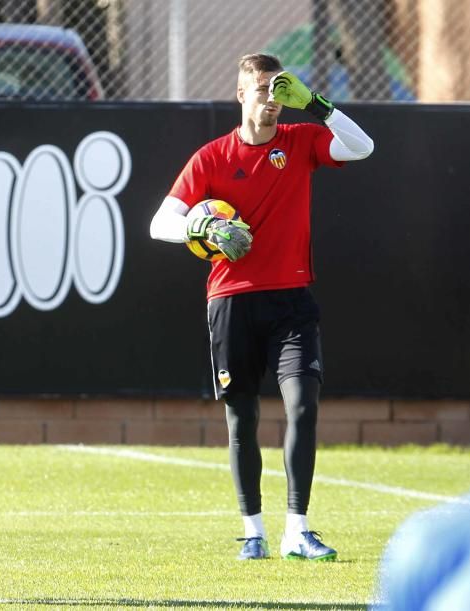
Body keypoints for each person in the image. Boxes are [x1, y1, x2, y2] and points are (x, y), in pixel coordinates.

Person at [149, 54, 374, 561]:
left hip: (292, 299)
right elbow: (159, 223)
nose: (271, 101)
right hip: (231, 300)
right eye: (261, 91)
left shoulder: (300, 140)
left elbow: (363, 146)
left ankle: (298, 530)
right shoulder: (211, 157)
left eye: (279, 92)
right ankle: (254, 532)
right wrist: (200, 228)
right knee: (242, 417)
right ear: (240, 94)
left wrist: (316, 105)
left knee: (302, 405)